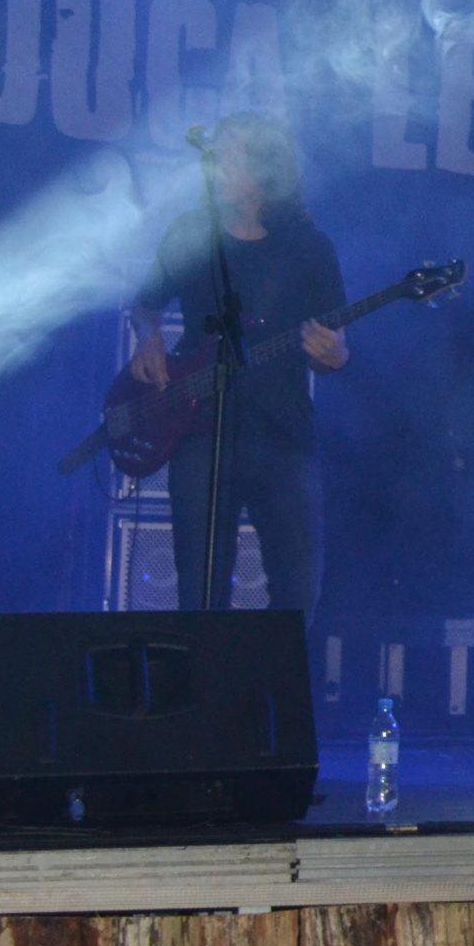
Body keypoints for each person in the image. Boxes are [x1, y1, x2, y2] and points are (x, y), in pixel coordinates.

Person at [127, 111, 348, 619]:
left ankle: (274, 674)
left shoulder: (309, 248)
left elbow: (334, 350)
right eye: (216, 151)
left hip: (284, 437)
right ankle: (205, 674)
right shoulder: (190, 233)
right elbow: (144, 305)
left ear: (268, 167)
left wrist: (336, 355)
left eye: (232, 152)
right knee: (200, 595)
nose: (217, 162)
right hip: (199, 435)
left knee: (297, 596)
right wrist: (149, 338)